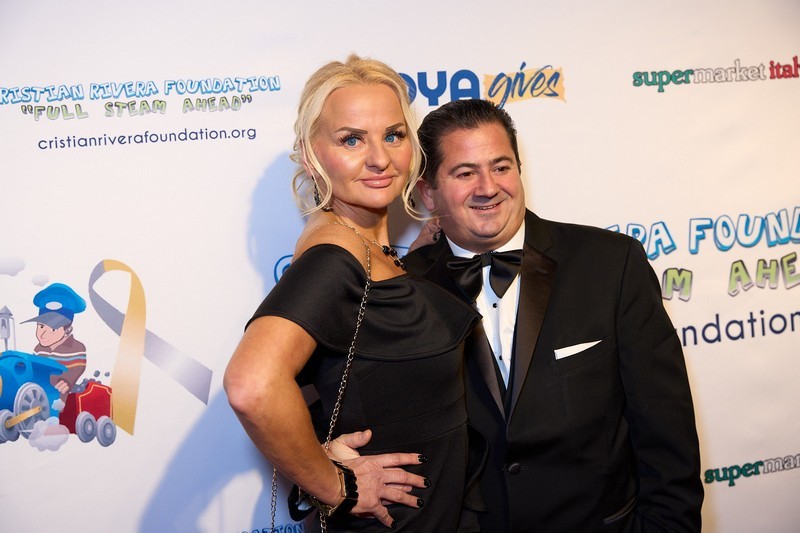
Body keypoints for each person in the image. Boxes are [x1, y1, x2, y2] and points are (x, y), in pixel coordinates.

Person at [335, 98, 704, 531]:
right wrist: (325, 465)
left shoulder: (610, 264)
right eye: (465, 173)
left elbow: (667, 432)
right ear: (427, 191)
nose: (488, 187)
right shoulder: (399, 289)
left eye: (501, 167)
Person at [223, 55, 479, 532]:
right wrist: (338, 486)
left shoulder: (362, 245)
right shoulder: (333, 255)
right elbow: (252, 385)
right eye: (351, 139)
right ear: (310, 154)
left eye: (393, 135)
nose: (380, 158)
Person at [22, 282, 88, 403]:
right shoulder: (38, 349)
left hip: (60, 397)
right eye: (41, 326)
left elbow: (77, 368)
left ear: (67, 330)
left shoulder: (77, 348)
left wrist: (67, 381)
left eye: (53, 329)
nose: (42, 334)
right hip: (37, 395)